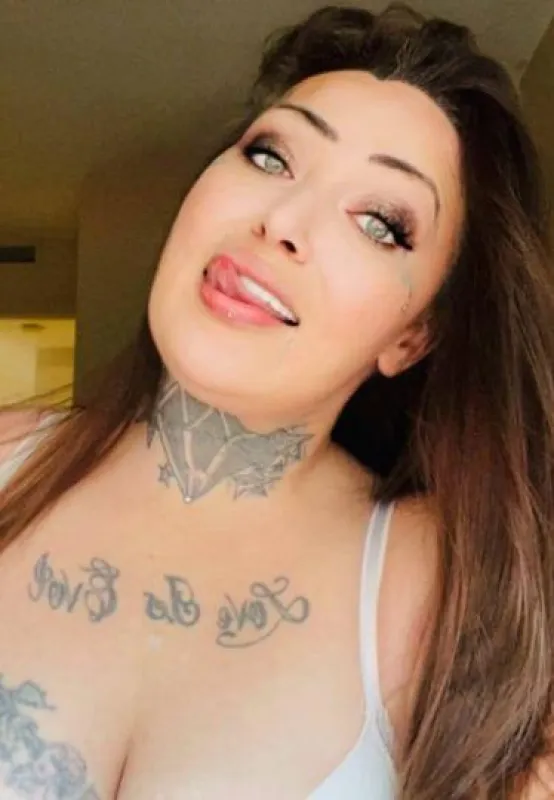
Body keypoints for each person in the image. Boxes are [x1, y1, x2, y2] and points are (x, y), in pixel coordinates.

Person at [1, 3, 554, 798]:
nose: (283, 222)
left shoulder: (454, 593)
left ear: (412, 337)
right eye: (270, 157)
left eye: (379, 223)